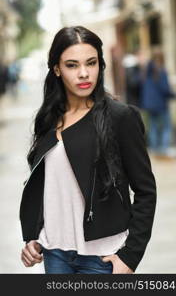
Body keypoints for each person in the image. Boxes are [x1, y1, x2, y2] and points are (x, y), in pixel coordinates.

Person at [19, 26, 157, 274]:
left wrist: (130, 256)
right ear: (57, 69)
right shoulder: (48, 119)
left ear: (100, 66)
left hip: (102, 259)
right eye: (72, 65)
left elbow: (146, 191)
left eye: (91, 63)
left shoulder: (120, 117)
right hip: (55, 255)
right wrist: (33, 234)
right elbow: (48, 186)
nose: (84, 73)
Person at [139, 50, 176, 158]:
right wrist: (174, 95)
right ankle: (163, 150)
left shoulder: (146, 72)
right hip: (161, 104)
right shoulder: (161, 71)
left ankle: (155, 150)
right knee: (166, 127)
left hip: (149, 105)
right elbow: (165, 89)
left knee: (153, 127)